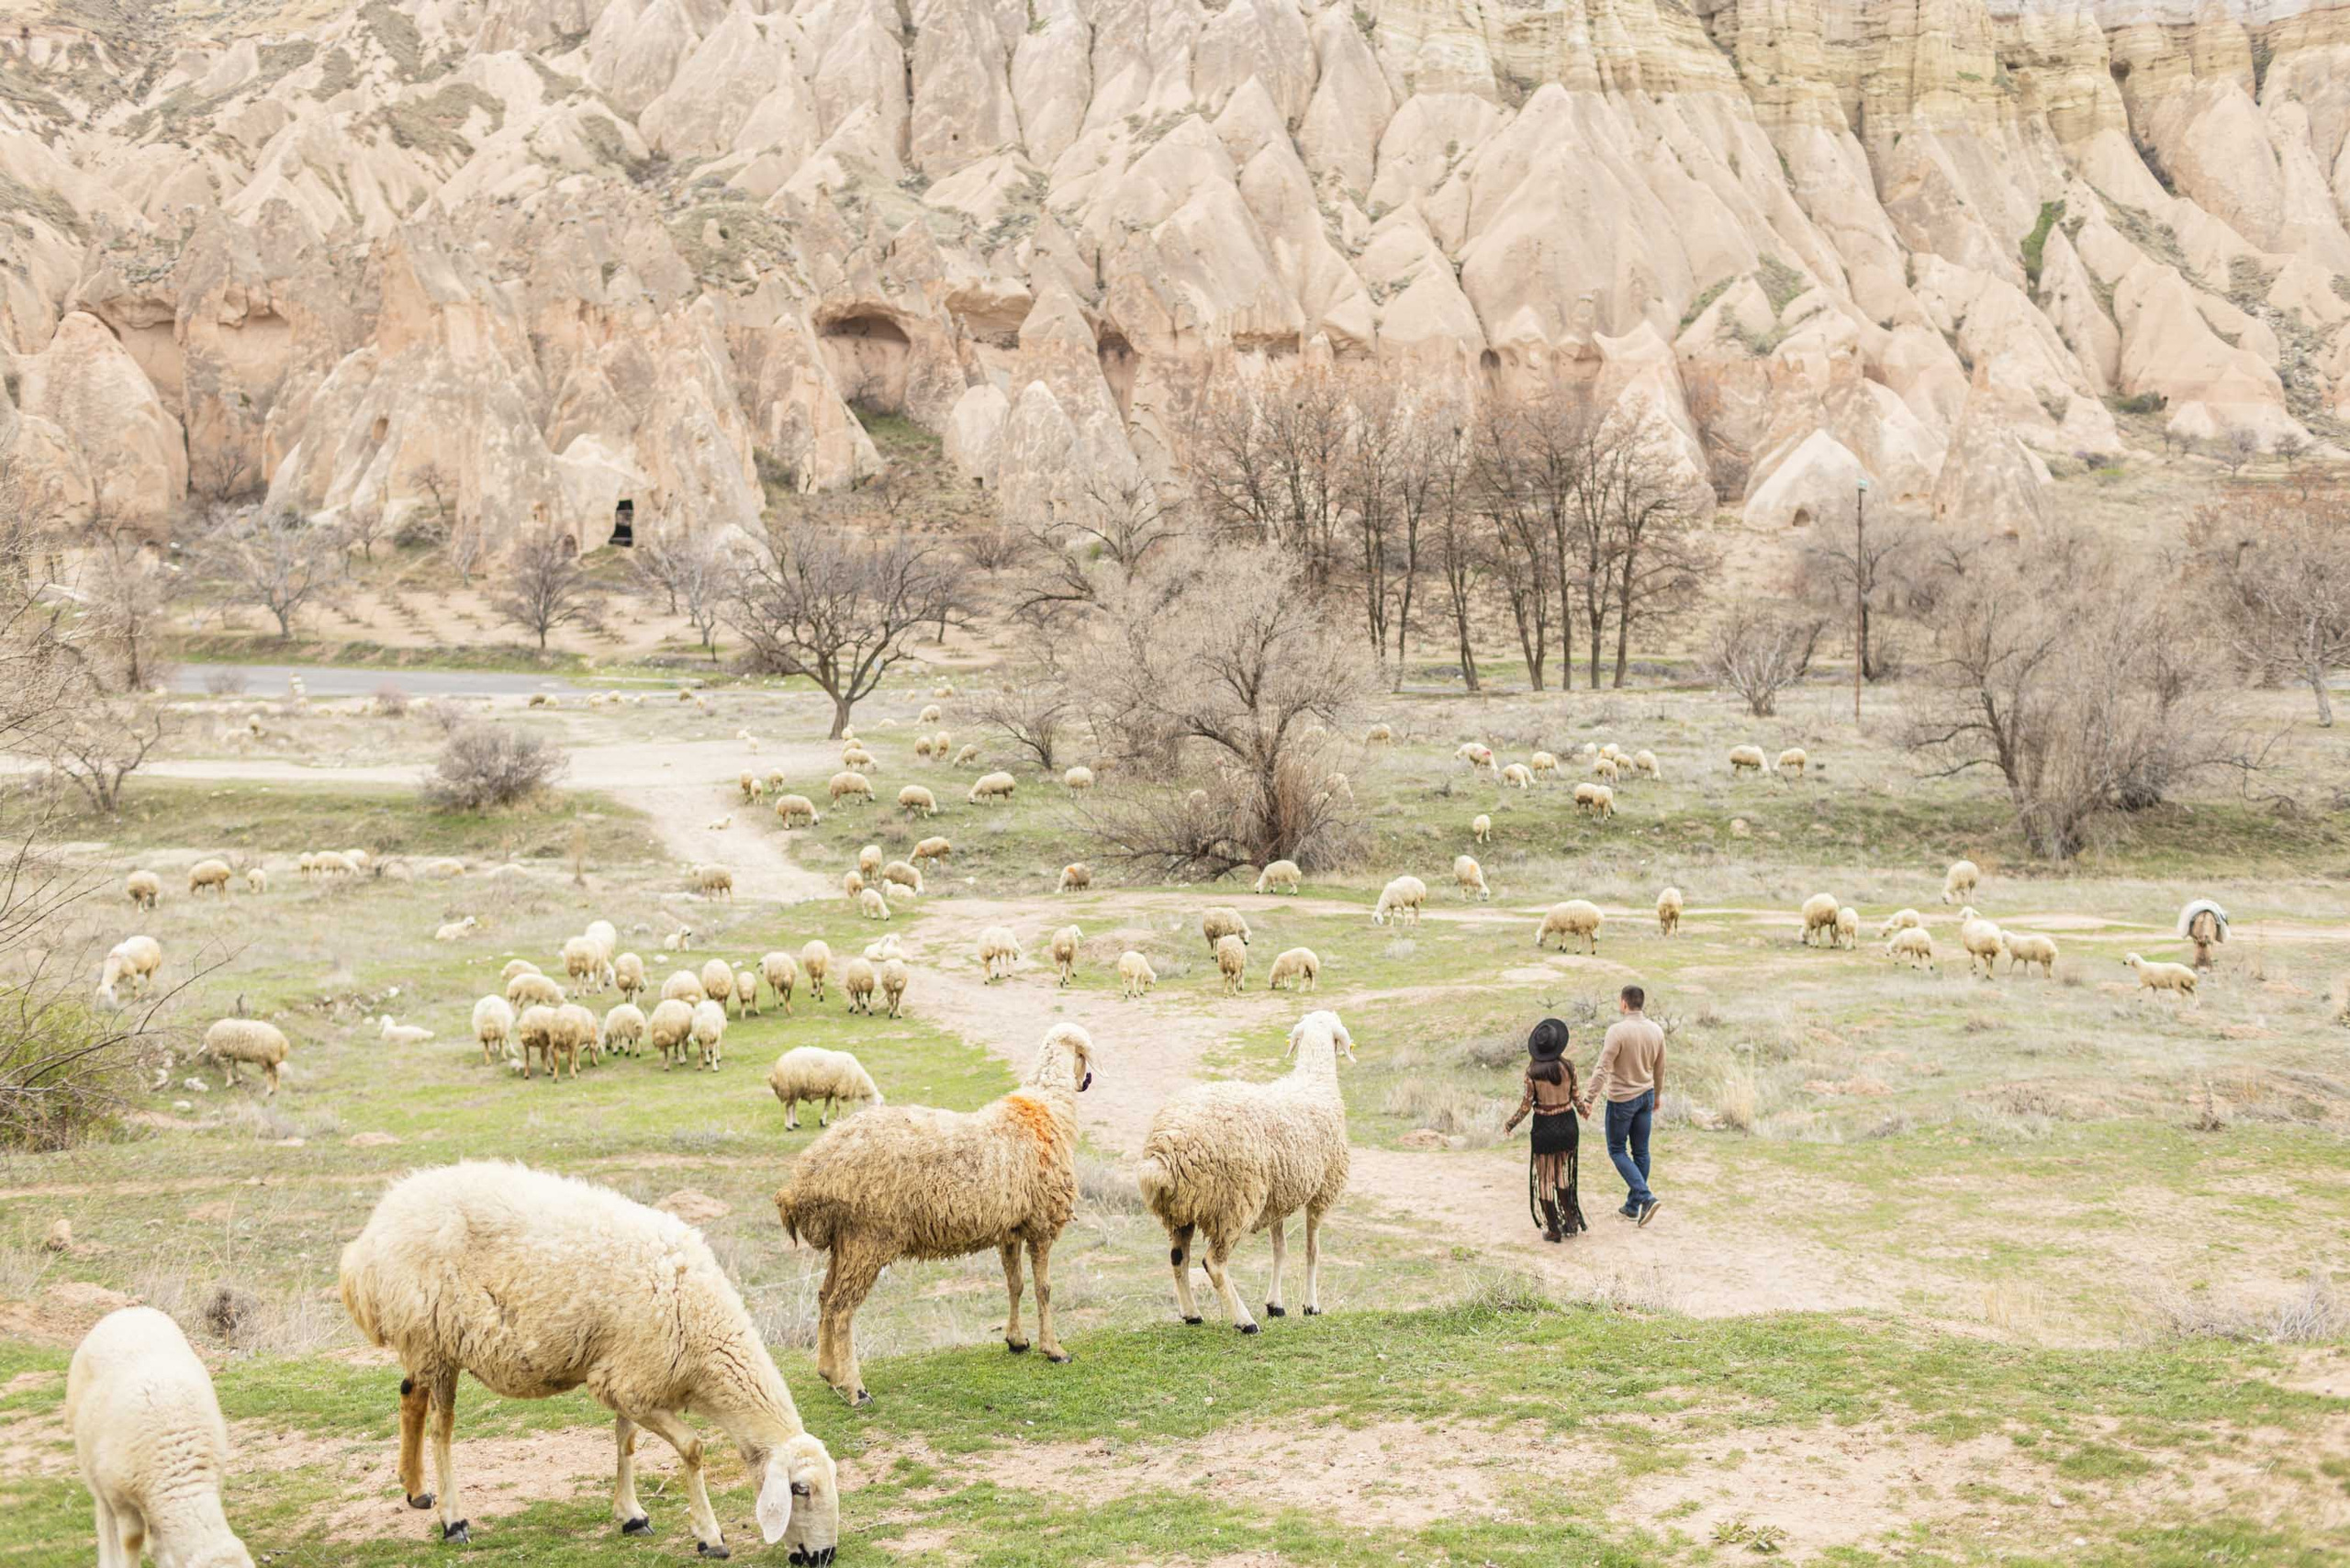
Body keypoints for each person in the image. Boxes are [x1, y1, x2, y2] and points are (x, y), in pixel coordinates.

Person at [1583, 983, 1664, 1226]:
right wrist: (1657, 1096)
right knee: (1641, 1151)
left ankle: (1645, 1197)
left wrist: (1589, 1098)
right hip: (1646, 1094)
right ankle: (1631, 1208)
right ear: (1642, 1003)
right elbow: (1660, 1069)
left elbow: (1603, 1068)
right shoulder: (1656, 1031)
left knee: (1617, 1149)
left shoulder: (1617, 1031)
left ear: (1624, 1003)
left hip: (1622, 1100)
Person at [1501, 1017, 1585, 1242]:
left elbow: (1526, 1106)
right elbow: (1576, 1097)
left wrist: (1510, 1123)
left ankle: (1553, 1229)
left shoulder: (1533, 1073)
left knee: (1545, 1177)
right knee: (1561, 1173)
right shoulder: (1569, 1067)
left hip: (1545, 1128)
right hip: (1568, 1125)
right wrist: (1585, 1110)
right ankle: (1570, 1220)